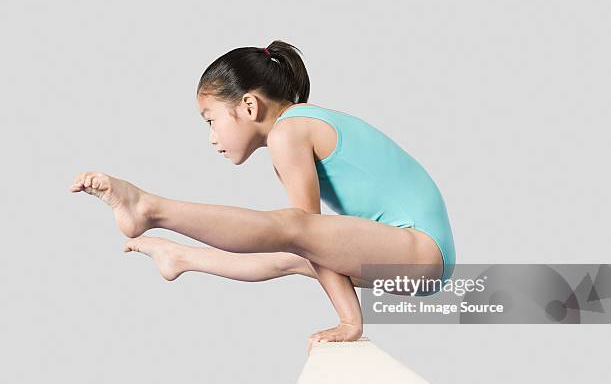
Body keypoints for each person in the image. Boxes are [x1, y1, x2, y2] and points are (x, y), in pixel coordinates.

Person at [69, 40, 456, 354]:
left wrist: (350, 323)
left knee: (295, 232)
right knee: (291, 250)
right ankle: (183, 257)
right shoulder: (295, 129)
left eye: (211, 120)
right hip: (413, 257)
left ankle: (149, 208)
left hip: (421, 252)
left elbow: (310, 234)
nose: (212, 137)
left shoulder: (290, 131)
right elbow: (312, 241)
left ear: (249, 105)